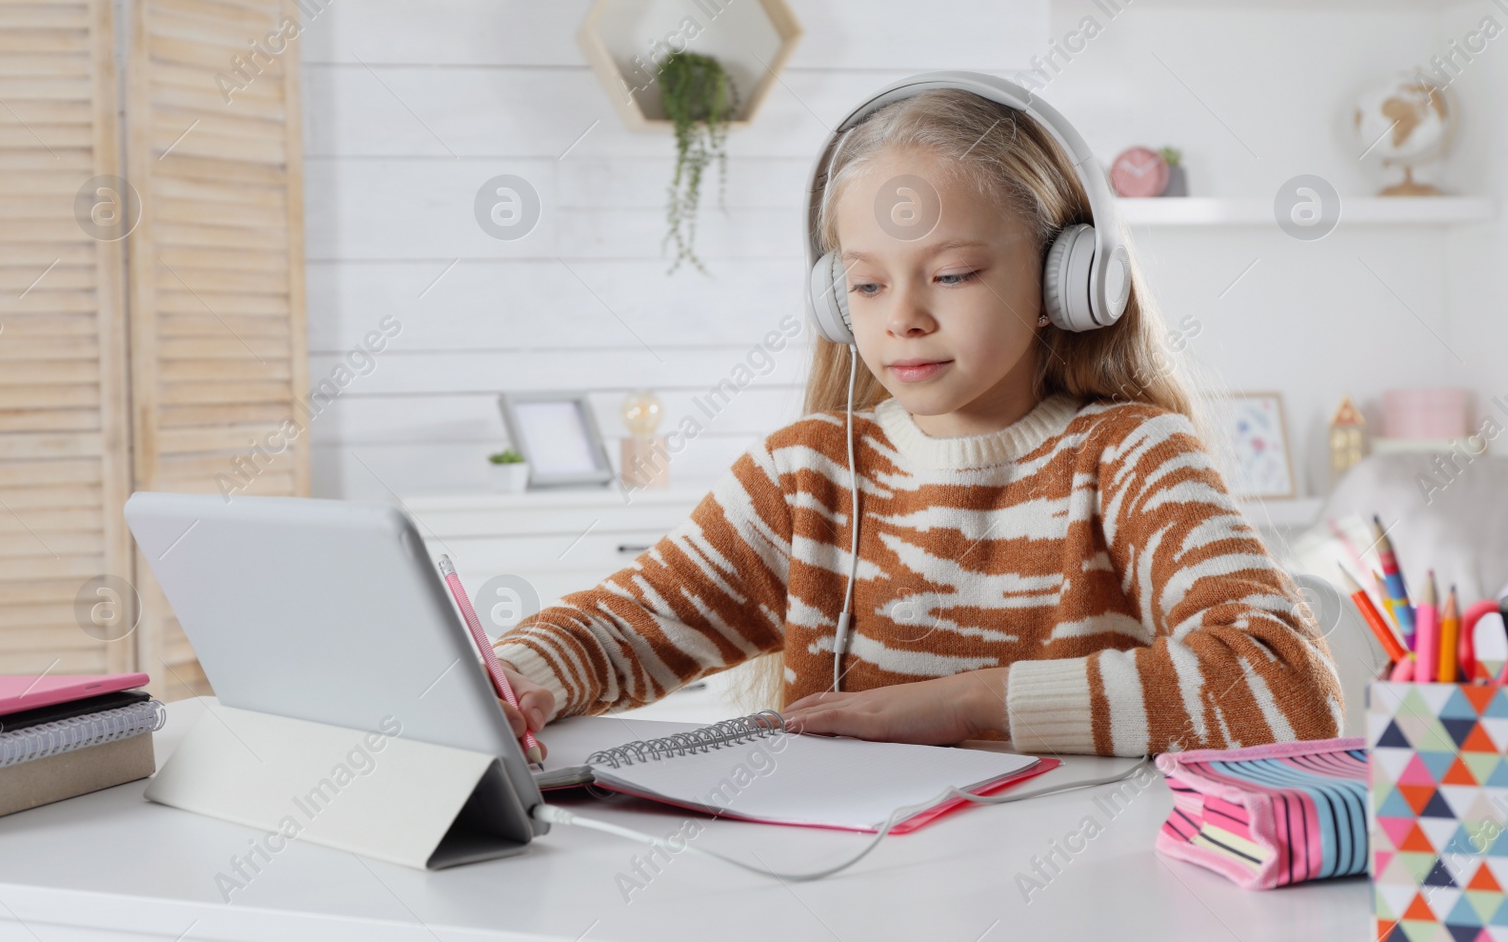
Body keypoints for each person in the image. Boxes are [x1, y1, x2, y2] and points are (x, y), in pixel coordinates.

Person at [491, 83, 1344, 759]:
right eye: (865, 284)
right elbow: (621, 627)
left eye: (955, 274)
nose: (900, 317)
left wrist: (967, 703)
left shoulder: (1129, 456)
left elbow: (1289, 684)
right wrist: (517, 680)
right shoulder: (807, 476)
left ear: (1064, 282)